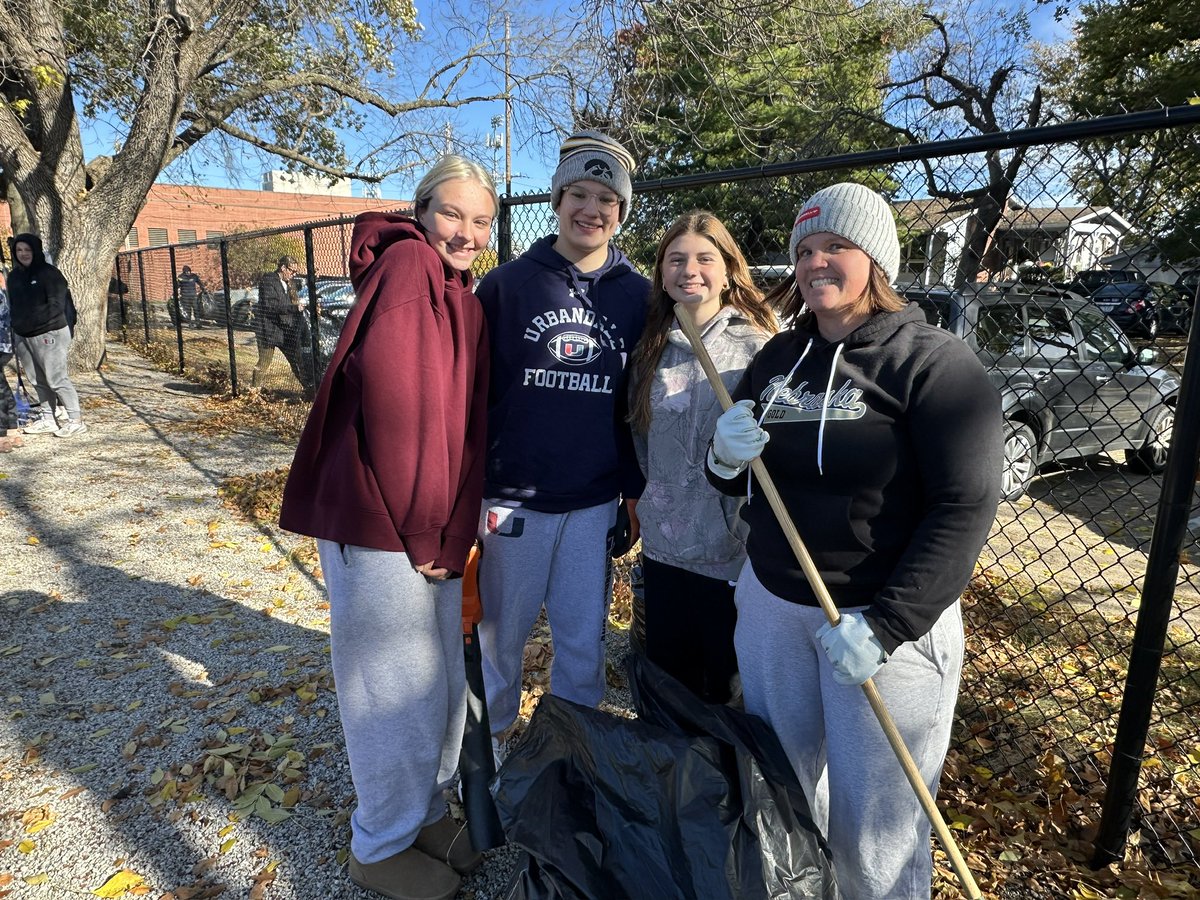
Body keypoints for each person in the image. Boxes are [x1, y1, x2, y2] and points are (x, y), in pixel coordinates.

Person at [705, 182, 1002, 899]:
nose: (815, 262)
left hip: (881, 625)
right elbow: (739, 483)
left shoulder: (933, 363)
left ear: (876, 258)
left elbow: (964, 507)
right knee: (785, 793)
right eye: (805, 250)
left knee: (880, 824)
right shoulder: (779, 359)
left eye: (835, 245)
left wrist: (891, 624)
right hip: (775, 606)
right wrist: (722, 458)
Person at [278, 155, 497, 900]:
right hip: (383, 524)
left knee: (432, 684)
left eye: (481, 221)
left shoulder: (461, 296)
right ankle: (377, 844)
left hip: (426, 531)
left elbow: (467, 429)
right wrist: (429, 532)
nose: (466, 233)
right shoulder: (407, 268)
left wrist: (450, 532)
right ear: (421, 209)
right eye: (453, 215)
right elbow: (401, 415)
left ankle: (424, 813)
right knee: (390, 690)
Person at [475, 130, 649, 753]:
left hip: (591, 500)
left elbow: (637, 404)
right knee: (502, 636)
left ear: (621, 212)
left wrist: (632, 491)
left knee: (582, 637)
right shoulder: (505, 287)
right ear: (557, 198)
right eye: (579, 192)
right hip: (513, 496)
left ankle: (573, 752)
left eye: (607, 199)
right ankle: (491, 746)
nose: (591, 209)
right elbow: (472, 394)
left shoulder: (638, 296)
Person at [626, 211, 776, 702]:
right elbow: (641, 444)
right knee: (668, 691)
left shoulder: (758, 349)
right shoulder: (649, 348)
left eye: (704, 258)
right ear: (662, 273)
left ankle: (728, 782)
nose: (689, 270)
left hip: (729, 554)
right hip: (664, 550)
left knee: (725, 697)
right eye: (676, 259)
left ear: (729, 269)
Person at [7, 233, 87, 437]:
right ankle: (48, 419)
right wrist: (16, 328)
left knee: (56, 379)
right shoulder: (14, 276)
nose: (23, 254)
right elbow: (13, 305)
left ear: (35, 250)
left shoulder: (49, 274)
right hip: (23, 336)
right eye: (19, 250)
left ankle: (75, 420)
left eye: (27, 249)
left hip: (49, 333)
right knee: (37, 380)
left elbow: (56, 305)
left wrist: (37, 323)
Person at [251, 255, 315, 396]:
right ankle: (253, 391)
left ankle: (311, 390)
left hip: (286, 329)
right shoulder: (268, 280)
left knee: (296, 360)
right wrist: (293, 308)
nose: (294, 274)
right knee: (264, 362)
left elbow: (294, 303)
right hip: (268, 329)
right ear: (283, 268)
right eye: (292, 271)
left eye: (295, 272)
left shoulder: (290, 283)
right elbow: (271, 305)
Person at [0, 272, 23, 452]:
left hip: (2, 341)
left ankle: (2, 434)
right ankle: (12, 429)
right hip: (5, 341)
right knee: (1, 384)